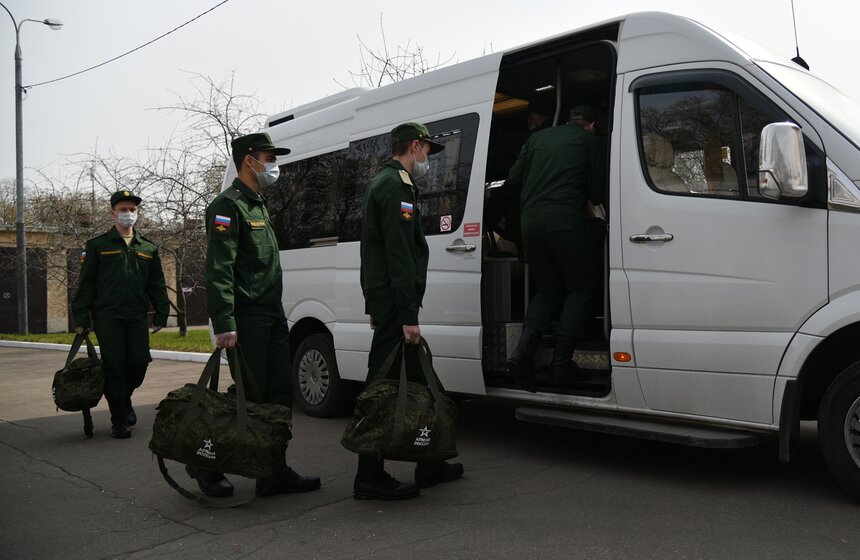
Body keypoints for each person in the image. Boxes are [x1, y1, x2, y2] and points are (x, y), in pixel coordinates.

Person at [199, 132, 321, 498]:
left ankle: (272, 470)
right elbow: (220, 268)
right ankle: (206, 464)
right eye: (269, 157)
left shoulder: (258, 204)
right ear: (248, 159)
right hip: (247, 318)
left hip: (271, 315)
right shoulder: (227, 205)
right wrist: (224, 322)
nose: (273, 165)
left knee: (279, 395)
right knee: (250, 397)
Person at [355, 122, 464, 500]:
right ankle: (368, 474)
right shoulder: (396, 186)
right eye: (427, 153)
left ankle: (430, 462)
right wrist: (407, 316)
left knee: (422, 383)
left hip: (389, 302)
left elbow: (376, 252)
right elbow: (400, 256)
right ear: (414, 147)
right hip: (396, 307)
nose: (427, 161)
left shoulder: (385, 183)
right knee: (383, 388)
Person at [504, 106, 605, 392]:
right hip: (564, 221)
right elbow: (597, 192)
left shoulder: (537, 139)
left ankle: (521, 355)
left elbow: (513, 177)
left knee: (548, 289)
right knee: (581, 288)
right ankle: (561, 364)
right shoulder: (590, 141)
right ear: (592, 124)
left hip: (529, 224)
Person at [71, 190, 170, 438]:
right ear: (113, 212)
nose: (128, 214)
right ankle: (118, 420)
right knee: (114, 365)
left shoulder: (148, 247)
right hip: (108, 316)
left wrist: (161, 313)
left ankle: (124, 398)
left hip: (136, 315)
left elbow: (156, 284)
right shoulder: (97, 245)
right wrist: (81, 318)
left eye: (133, 210)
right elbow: (86, 284)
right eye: (123, 209)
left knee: (138, 362)